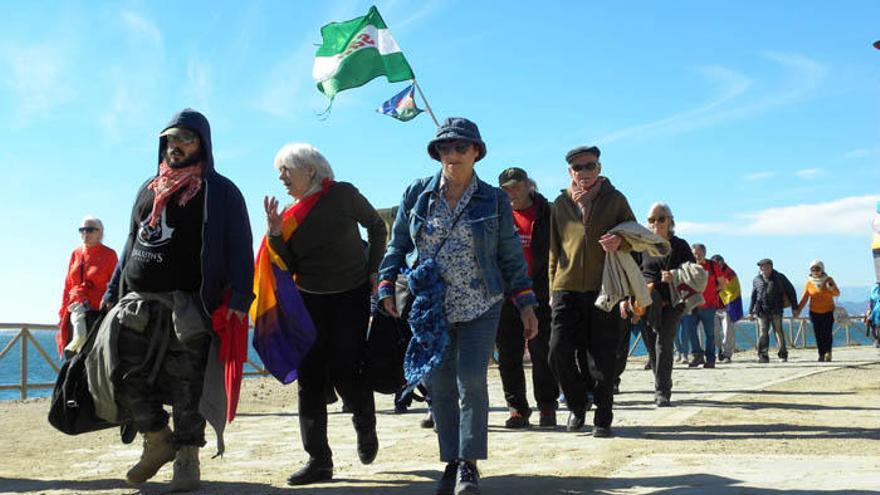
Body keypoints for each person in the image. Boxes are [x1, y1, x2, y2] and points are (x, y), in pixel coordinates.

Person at [378, 117, 538, 495]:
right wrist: (386, 282)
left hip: (482, 302)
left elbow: (510, 254)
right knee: (440, 385)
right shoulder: (417, 194)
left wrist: (526, 302)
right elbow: (397, 243)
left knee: (471, 379)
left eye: (460, 147)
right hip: (432, 306)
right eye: (444, 148)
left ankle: (469, 463)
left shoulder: (493, 198)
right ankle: (450, 461)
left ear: (476, 152)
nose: (452, 154)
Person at [101, 109, 254, 492]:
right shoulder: (149, 188)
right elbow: (130, 243)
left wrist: (240, 295)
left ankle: (188, 456)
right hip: (136, 303)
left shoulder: (220, 192)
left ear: (202, 142)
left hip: (190, 305)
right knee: (124, 373)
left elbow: (240, 246)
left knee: (189, 384)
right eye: (171, 138)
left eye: (185, 138)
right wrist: (110, 290)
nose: (176, 145)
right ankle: (157, 440)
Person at [263, 143, 387, 485]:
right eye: (279, 173)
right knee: (310, 379)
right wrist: (274, 233)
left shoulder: (343, 195)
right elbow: (285, 265)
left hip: (351, 296)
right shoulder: (289, 215)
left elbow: (377, 226)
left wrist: (374, 268)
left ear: (311, 171)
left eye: (287, 170)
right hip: (308, 302)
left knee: (346, 369)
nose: (282, 178)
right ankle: (319, 460)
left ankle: (364, 424)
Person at [548, 145, 634, 436]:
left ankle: (604, 413)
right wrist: (552, 288)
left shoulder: (616, 199)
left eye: (590, 166)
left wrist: (621, 242)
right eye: (578, 167)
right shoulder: (560, 203)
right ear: (570, 171)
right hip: (565, 287)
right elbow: (554, 249)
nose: (584, 172)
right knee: (557, 350)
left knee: (602, 355)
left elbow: (636, 237)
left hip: (604, 287)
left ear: (599, 168)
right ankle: (576, 404)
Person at [495, 168, 558, 428]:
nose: (511, 193)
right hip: (505, 294)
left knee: (542, 352)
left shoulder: (549, 212)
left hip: (541, 292)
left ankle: (547, 407)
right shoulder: (497, 214)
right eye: (505, 189)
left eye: (515, 187)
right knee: (508, 354)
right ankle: (517, 409)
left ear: (528, 185)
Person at [639, 202, 696, 407]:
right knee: (652, 346)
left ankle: (663, 391)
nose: (656, 223)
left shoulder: (680, 245)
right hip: (646, 301)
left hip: (673, 301)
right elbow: (633, 271)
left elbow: (694, 273)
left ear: (670, 221)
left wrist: (675, 276)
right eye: (651, 220)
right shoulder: (642, 244)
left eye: (661, 218)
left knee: (663, 343)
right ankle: (660, 382)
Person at [57, 216, 117, 356]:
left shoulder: (109, 255)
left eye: (89, 230)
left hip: (98, 311)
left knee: (95, 353)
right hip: (76, 307)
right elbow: (68, 285)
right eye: (82, 230)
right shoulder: (76, 254)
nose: (85, 233)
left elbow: (115, 284)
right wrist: (62, 312)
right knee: (78, 344)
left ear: (100, 233)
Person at [681, 243, 723, 368]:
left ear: (704, 253)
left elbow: (722, 283)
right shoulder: (687, 267)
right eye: (694, 253)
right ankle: (697, 355)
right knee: (690, 331)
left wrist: (711, 291)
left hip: (708, 305)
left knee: (710, 333)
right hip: (691, 305)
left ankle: (710, 359)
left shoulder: (712, 265)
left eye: (699, 253)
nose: (697, 255)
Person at [748, 258, 798, 363]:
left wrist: (795, 307)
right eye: (761, 266)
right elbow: (753, 296)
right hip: (761, 311)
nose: (762, 268)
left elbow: (791, 291)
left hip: (776, 309)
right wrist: (750, 312)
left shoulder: (780, 277)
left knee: (778, 332)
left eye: (764, 266)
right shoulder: (756, 280)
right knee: (763, 332)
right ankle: (763, 355)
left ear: (771, 266)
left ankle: (783, 355)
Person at [795, 260, 840, 362]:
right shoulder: (809, 283)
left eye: (817, 269)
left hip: (828, 311)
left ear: (822, 269)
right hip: (814, 313)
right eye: (813, 269)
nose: (815, 271)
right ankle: (821, 354)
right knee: (818, 334)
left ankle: (828, 352)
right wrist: (798, 310)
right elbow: (804, 298)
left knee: (827, 333)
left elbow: (837, 293)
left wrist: (831, 288)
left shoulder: (829, 280)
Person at [711, 254, 742, 363]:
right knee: (714, 333)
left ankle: (727, 354)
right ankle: (720, 350)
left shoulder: (730, 273)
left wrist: (718, 289)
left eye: (719, 263)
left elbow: (732, 289)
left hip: (727, 307)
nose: (718, 266)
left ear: (723, 262)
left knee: (728, 332)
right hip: (714, 307)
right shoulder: (711, 273)